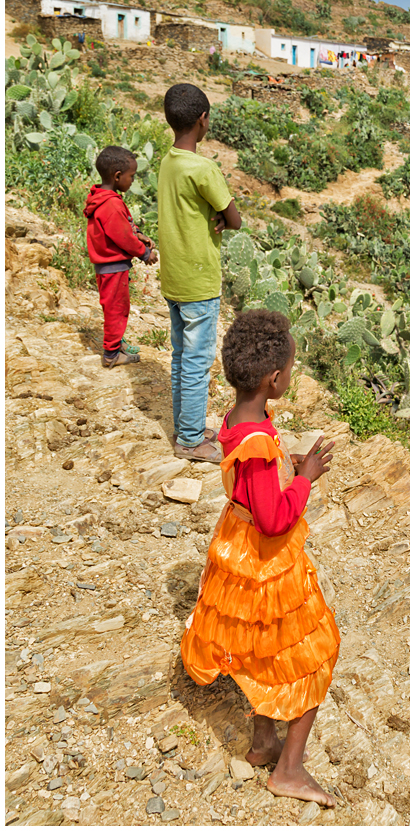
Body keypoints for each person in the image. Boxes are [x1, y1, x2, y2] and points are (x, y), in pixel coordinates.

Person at [181, 310, 340, 807]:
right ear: (274, 379)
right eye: (290, 370)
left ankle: (264, 743)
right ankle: (289, 770)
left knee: (265, 652)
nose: (290, 376)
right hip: (265, 558)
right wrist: (304, 479)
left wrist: (284, 467)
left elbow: (253, 485)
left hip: (238, 545)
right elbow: (274, 519)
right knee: (314, 654)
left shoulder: (236, 420)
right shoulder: (254, 440)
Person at [158, 83, 242, 464]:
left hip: (174, 277)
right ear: (202, 120)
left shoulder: (168, 161)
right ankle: (191, 440)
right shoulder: (204, 168)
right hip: (199, 281)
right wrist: (223, 218)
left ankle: (185, 425)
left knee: (180, 356)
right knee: (196, 360)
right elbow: (235, 219)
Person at [84, 146, 157, 368]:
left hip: (109, 266)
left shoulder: (102, 198)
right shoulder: (112, 204)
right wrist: (145, 253)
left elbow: (123, 227)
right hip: (113, 267)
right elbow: (123, 237)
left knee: (115, 306)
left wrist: (139, 234)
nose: (133, 181)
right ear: (117, 176)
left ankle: (116, 343)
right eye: (131, 176)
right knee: (116, 308)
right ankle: (111, 354)